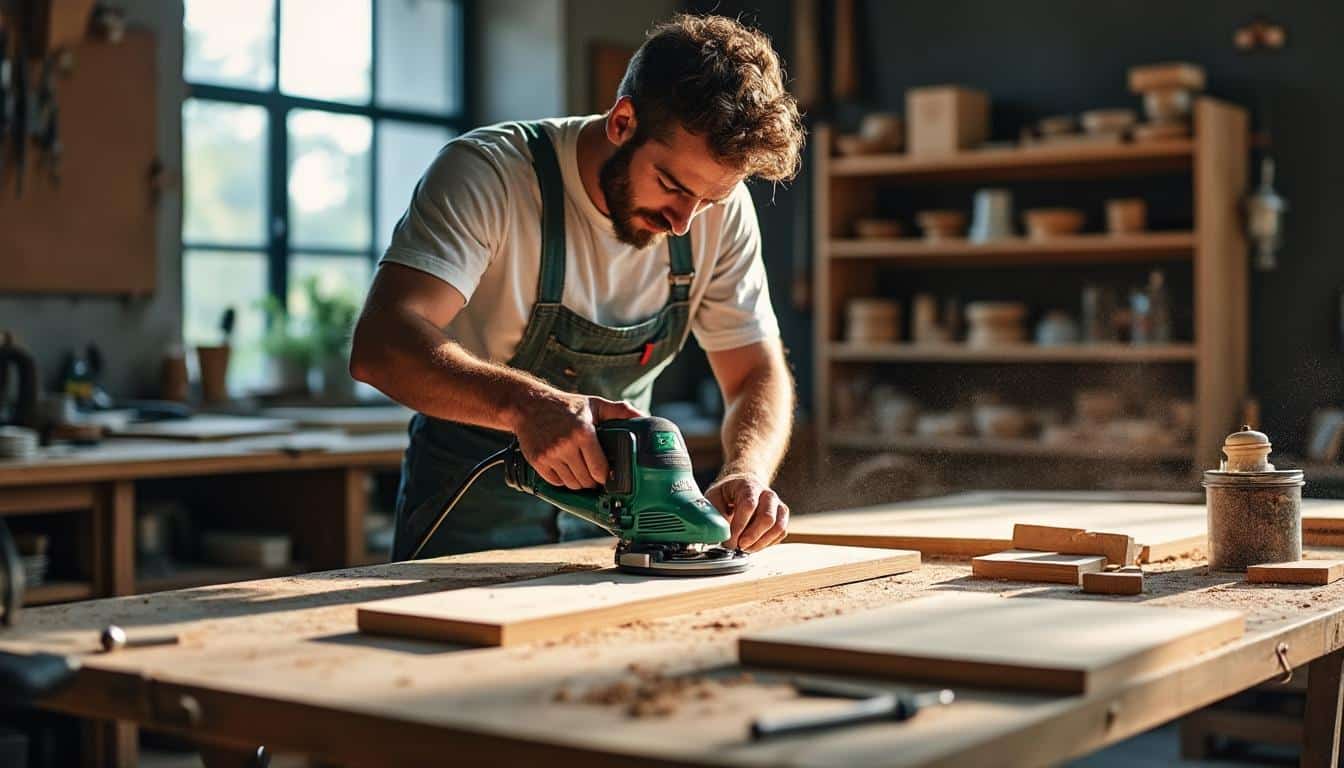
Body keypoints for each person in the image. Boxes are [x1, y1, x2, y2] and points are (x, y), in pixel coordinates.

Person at [350, 14, 804, 560]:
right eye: (670, 186)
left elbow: (756, 371)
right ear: (623, 121)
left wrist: (747, 471)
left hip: (616, 535)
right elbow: (381, 344)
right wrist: (525, 405)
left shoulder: (718, 214)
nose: (685, 221)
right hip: (465, 518)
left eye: (709, 199)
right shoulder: (490, 175)